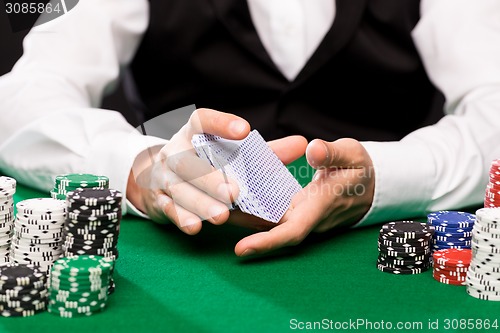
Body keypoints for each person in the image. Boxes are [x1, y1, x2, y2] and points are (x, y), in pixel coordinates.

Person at [0, 0, 499, 257]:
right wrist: (140, 166)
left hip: (377, 256)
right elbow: (21, 98)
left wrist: (386, 177)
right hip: (184, 253)